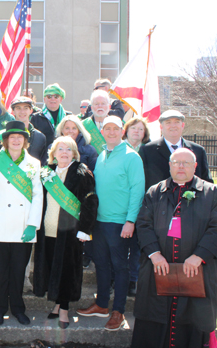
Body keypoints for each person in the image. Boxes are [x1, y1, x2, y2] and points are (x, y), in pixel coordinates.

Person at [131, 148, 217, 348]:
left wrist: (199, 256)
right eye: (176, 162)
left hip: (196, 270)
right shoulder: (155, 191)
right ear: (170, 165)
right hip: (159, 267)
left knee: (192, 316)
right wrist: (154, 254)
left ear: (195, 166)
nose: (180, 166)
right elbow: (143, 224)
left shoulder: (213, 193)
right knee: (154, 315)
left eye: (186, 163)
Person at [76, 116, 145, 331]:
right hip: (99, 222)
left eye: (116, 128)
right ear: (103, 131)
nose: (112, 132)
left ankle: (118, 310)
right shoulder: (102, 155)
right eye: (108, 128)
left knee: (120, 268)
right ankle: (102, 304)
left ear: (122, 131)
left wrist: (130, 221)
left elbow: (137, 191)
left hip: (119, 224)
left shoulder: (131, 157)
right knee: (102, 265)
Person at [0, 120, 43, 326]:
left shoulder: (34, 163)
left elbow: (37, 195)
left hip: (22, 226)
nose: (16, 140)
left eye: (20, 137)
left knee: (18, 272)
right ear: (5, 140)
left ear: (25, 140)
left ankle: (17, 308)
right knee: (1, 271)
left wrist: (33, 224)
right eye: (12, 137)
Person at [33, 136, 98, 329]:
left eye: (68, 149)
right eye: (60, 149)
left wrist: (85, 229)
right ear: (53, 153)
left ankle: (64, 310)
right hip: (47, 230)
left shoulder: (82, 173)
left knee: (67, 271)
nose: (64, 152)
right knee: (52, 268)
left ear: (74, 153)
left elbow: (90, 202)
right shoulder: (46, 173)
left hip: (69, 232)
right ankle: (56, 305)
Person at [139, 110, 213, 191]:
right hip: (159, 201)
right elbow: (141, 182)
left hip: (192, 201)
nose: (173, 126)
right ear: (161, 127)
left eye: (177, 122)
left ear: (183, 125)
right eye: (168, 122)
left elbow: (206, 182)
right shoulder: (147, 151)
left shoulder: (198, 151)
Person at [122, 117, 151, 296]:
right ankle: (115, 279)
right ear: (127, 130)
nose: (137, 132)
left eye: (141, 129)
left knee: (136, 246)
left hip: (142, 205)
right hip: (119, 204)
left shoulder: (148, 151)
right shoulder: (118, 148)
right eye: (134, 128)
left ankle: (133, 280)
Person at [11, 96, 47, 165]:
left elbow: (42, 163)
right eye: (18, 108)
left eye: (26, 108)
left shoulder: (40, 137)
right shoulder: (4, 135)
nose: (22, 111)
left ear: (31, 111)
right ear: (13, 111)